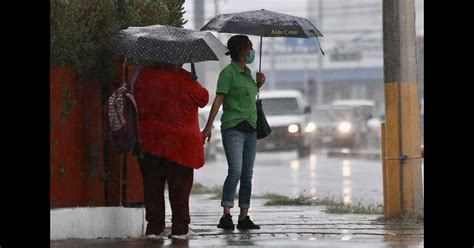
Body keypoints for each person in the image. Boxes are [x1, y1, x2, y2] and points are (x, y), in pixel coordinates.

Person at [134, 62, 209, 238]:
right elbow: (203, 98)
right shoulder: (183, 77)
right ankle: (180, 228)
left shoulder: (142, 75)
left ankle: (154, 228)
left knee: (152, 187)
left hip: (150, 141)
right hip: (180, 144)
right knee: (180, 188)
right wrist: (193, 79)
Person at [201, 35, 266, 230]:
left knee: (247, 175)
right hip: (233, 129)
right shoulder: (228, 73)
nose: (252, 51)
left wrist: (258, 85)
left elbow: (250, 97)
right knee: (235, 171)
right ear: (240, 51)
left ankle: (244, 216)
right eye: (249, 48)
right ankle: (226, 215)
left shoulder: (248, 73)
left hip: (251, 130)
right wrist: (208, 126)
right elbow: (219, 100)